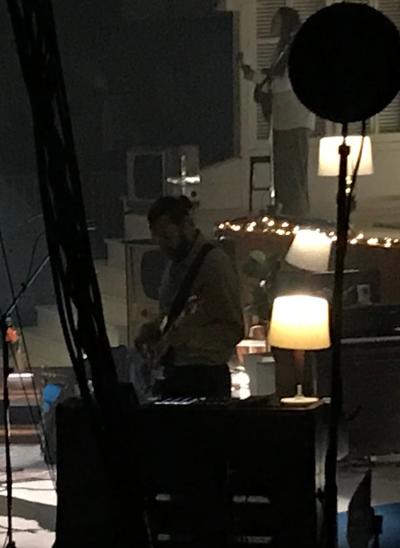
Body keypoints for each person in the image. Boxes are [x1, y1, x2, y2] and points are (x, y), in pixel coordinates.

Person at [136, 196, 243, 400]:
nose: (163, 246)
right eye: (158, 239)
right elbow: (173, 313)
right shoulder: (174, 264)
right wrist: (155, 329)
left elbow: (232, 329)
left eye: (167, 237)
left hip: (204, 378)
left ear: (186, 225)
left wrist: (183, 339)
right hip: (177, 374)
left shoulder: (215, 265)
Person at [240, 7, 315, 218]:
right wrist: (256, 77)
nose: (271, 25)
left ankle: (298, 214)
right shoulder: (282, 50)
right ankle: (286, 211)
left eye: (275, 21)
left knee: (294, 172)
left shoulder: (296, 48)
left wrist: (260, 80)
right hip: (283, 119)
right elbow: (275, 81)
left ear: (285, 23)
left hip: (295, 119)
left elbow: (286, 84)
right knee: (283, 171)